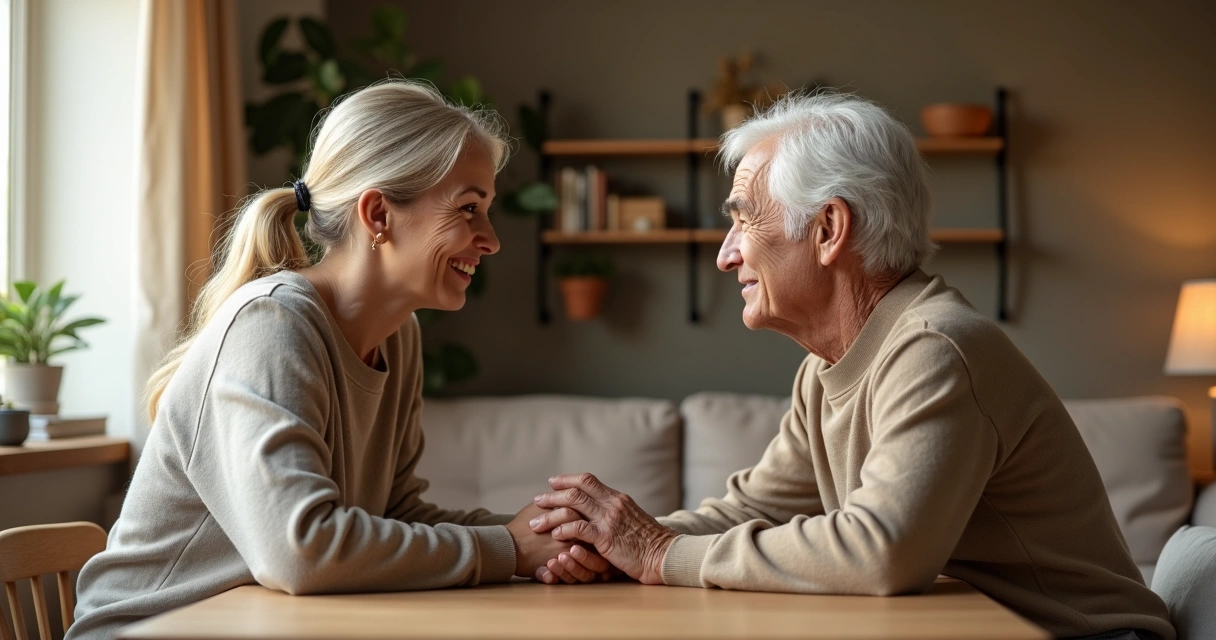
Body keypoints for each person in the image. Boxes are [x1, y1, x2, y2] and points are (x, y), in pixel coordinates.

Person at [529, 93, 1174, 640]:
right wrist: (615, 547)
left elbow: (881, 552)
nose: (726, 256)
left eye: (744, 221)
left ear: (829, 228)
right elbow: (750, 509)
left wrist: (660, 553)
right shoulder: (826, 366)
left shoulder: (936, 349)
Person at [67, 80, 607, 640]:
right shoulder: (272, 325)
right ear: (378, 214)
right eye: (469, 209)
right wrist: (509, 547)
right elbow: (300, 550)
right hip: (150, 630)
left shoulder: (398, 337)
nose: (490, 239)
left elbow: (395, 519)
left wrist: (548, 535)